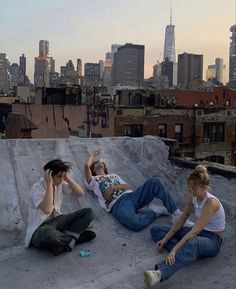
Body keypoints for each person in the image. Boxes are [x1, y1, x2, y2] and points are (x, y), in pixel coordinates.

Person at [144, 165, 225, 288]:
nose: (190, 190)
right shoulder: (193, 196)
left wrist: (174, 250)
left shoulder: (210, 202)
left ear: (203, 187)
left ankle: (159, 273)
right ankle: (187, 254)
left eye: (193, 188)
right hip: (199, 232)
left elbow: (193, 232)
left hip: (212, 240)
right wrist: (165, 239)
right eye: (189, 187)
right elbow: (181, 219)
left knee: (194, 243)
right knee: (157, 230)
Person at [84, 149, 193, 232]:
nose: (99, 163)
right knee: (135, 224)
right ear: (93, 170)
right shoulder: (94, 181)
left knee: (156, 181)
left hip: (131, 196)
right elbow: (86, 166)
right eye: (96, 163)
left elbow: (126, 186)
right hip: (117, 204)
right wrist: (92, 155)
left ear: (105, 167)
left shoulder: (113, 175)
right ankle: (155, 211)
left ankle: (178, 215)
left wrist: (113, 187)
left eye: (101, 163)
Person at [25, 159, 96, 256]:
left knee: (89, 212)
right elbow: (47, 209)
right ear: (49, 176)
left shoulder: (60, 183)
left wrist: (66, 178)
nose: (61, 179)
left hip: (57, 222)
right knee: (50, 234)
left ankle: (62, 243)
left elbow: (80, 193)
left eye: (63, 176)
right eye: (59, 177)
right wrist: (49, 183)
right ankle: (75, 238)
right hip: (39, 230)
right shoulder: (37, 188)